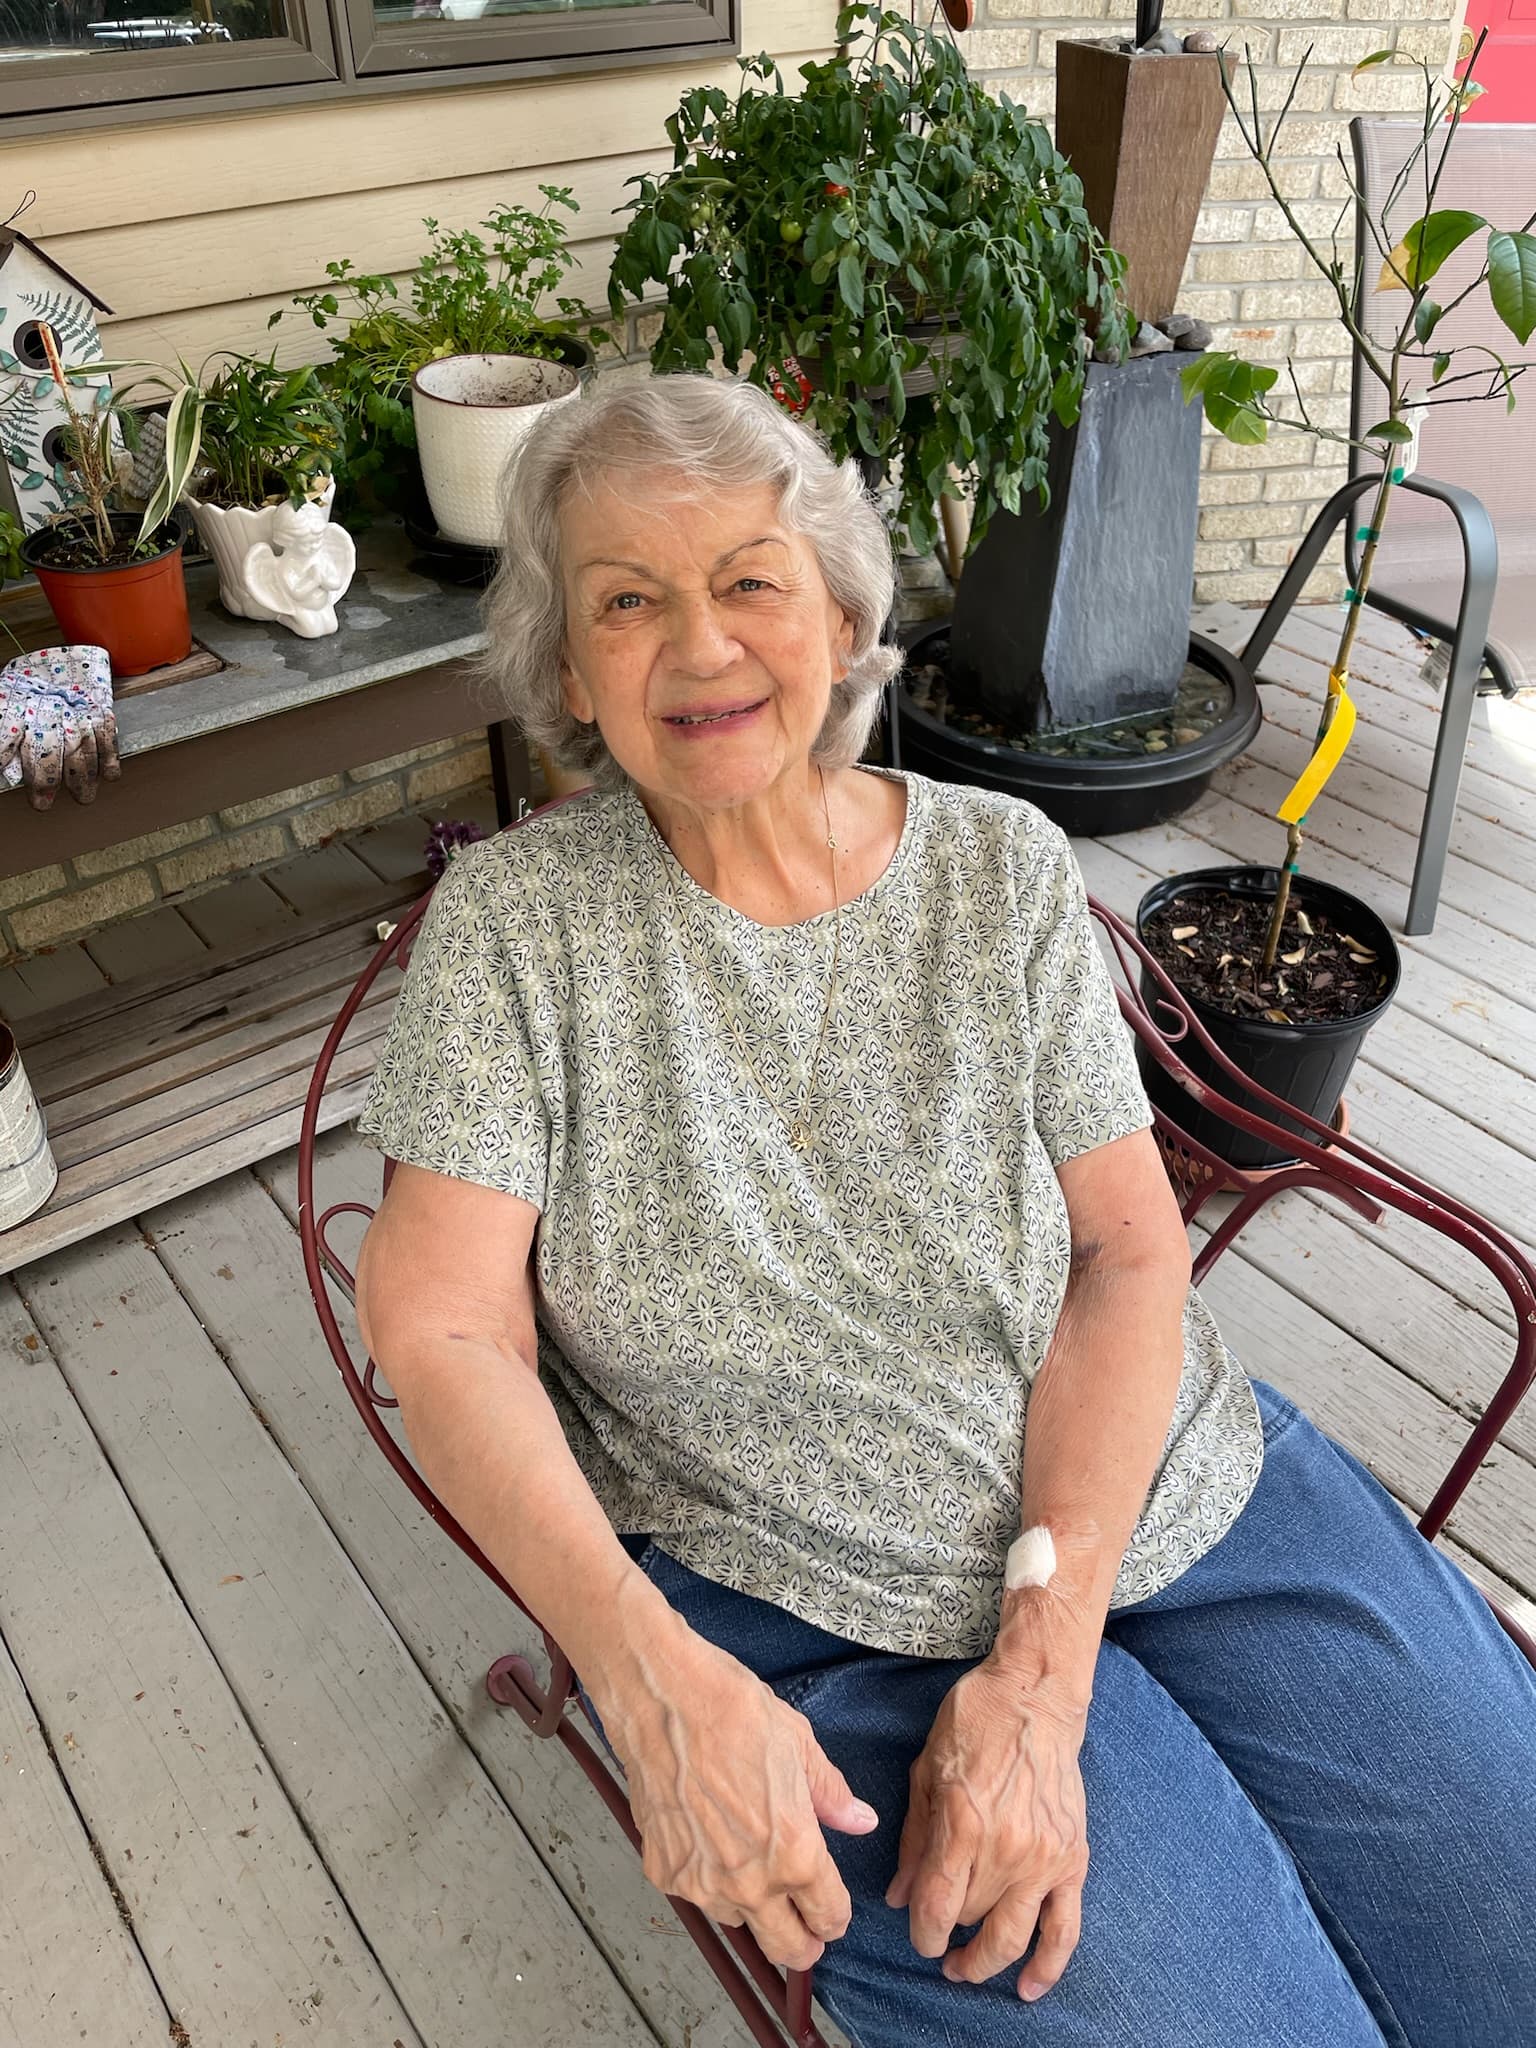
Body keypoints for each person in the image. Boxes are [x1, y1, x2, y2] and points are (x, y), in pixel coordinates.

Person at [353, 374, 1536, 2048]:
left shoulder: (997, 868)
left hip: (1160, 1484)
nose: (700, 647)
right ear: (567, 670)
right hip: (809, 1606)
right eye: (628, 601)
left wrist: (1043, 1680)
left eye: (750, 579)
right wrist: (641, 1672)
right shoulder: (513, 936)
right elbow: (443, 1324)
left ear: (839, 615)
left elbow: (1131, 1251)